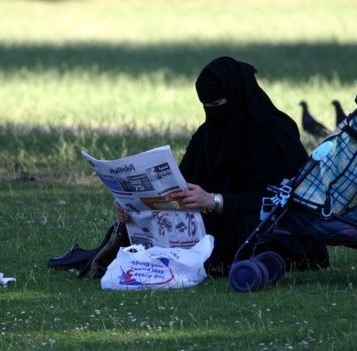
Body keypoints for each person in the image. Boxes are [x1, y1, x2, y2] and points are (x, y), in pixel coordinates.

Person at [116, 56, 330, 275]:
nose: (213, 113)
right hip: (215, 220)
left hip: (268, 219)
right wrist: (135, 206)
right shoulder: (206, 135)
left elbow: (276, 197)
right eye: (206, 106)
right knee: (141, 226)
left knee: (247, 228)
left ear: (237, 96)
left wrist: (216, 201)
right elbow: (179, 183)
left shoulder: (274, 133)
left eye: (217, 105)